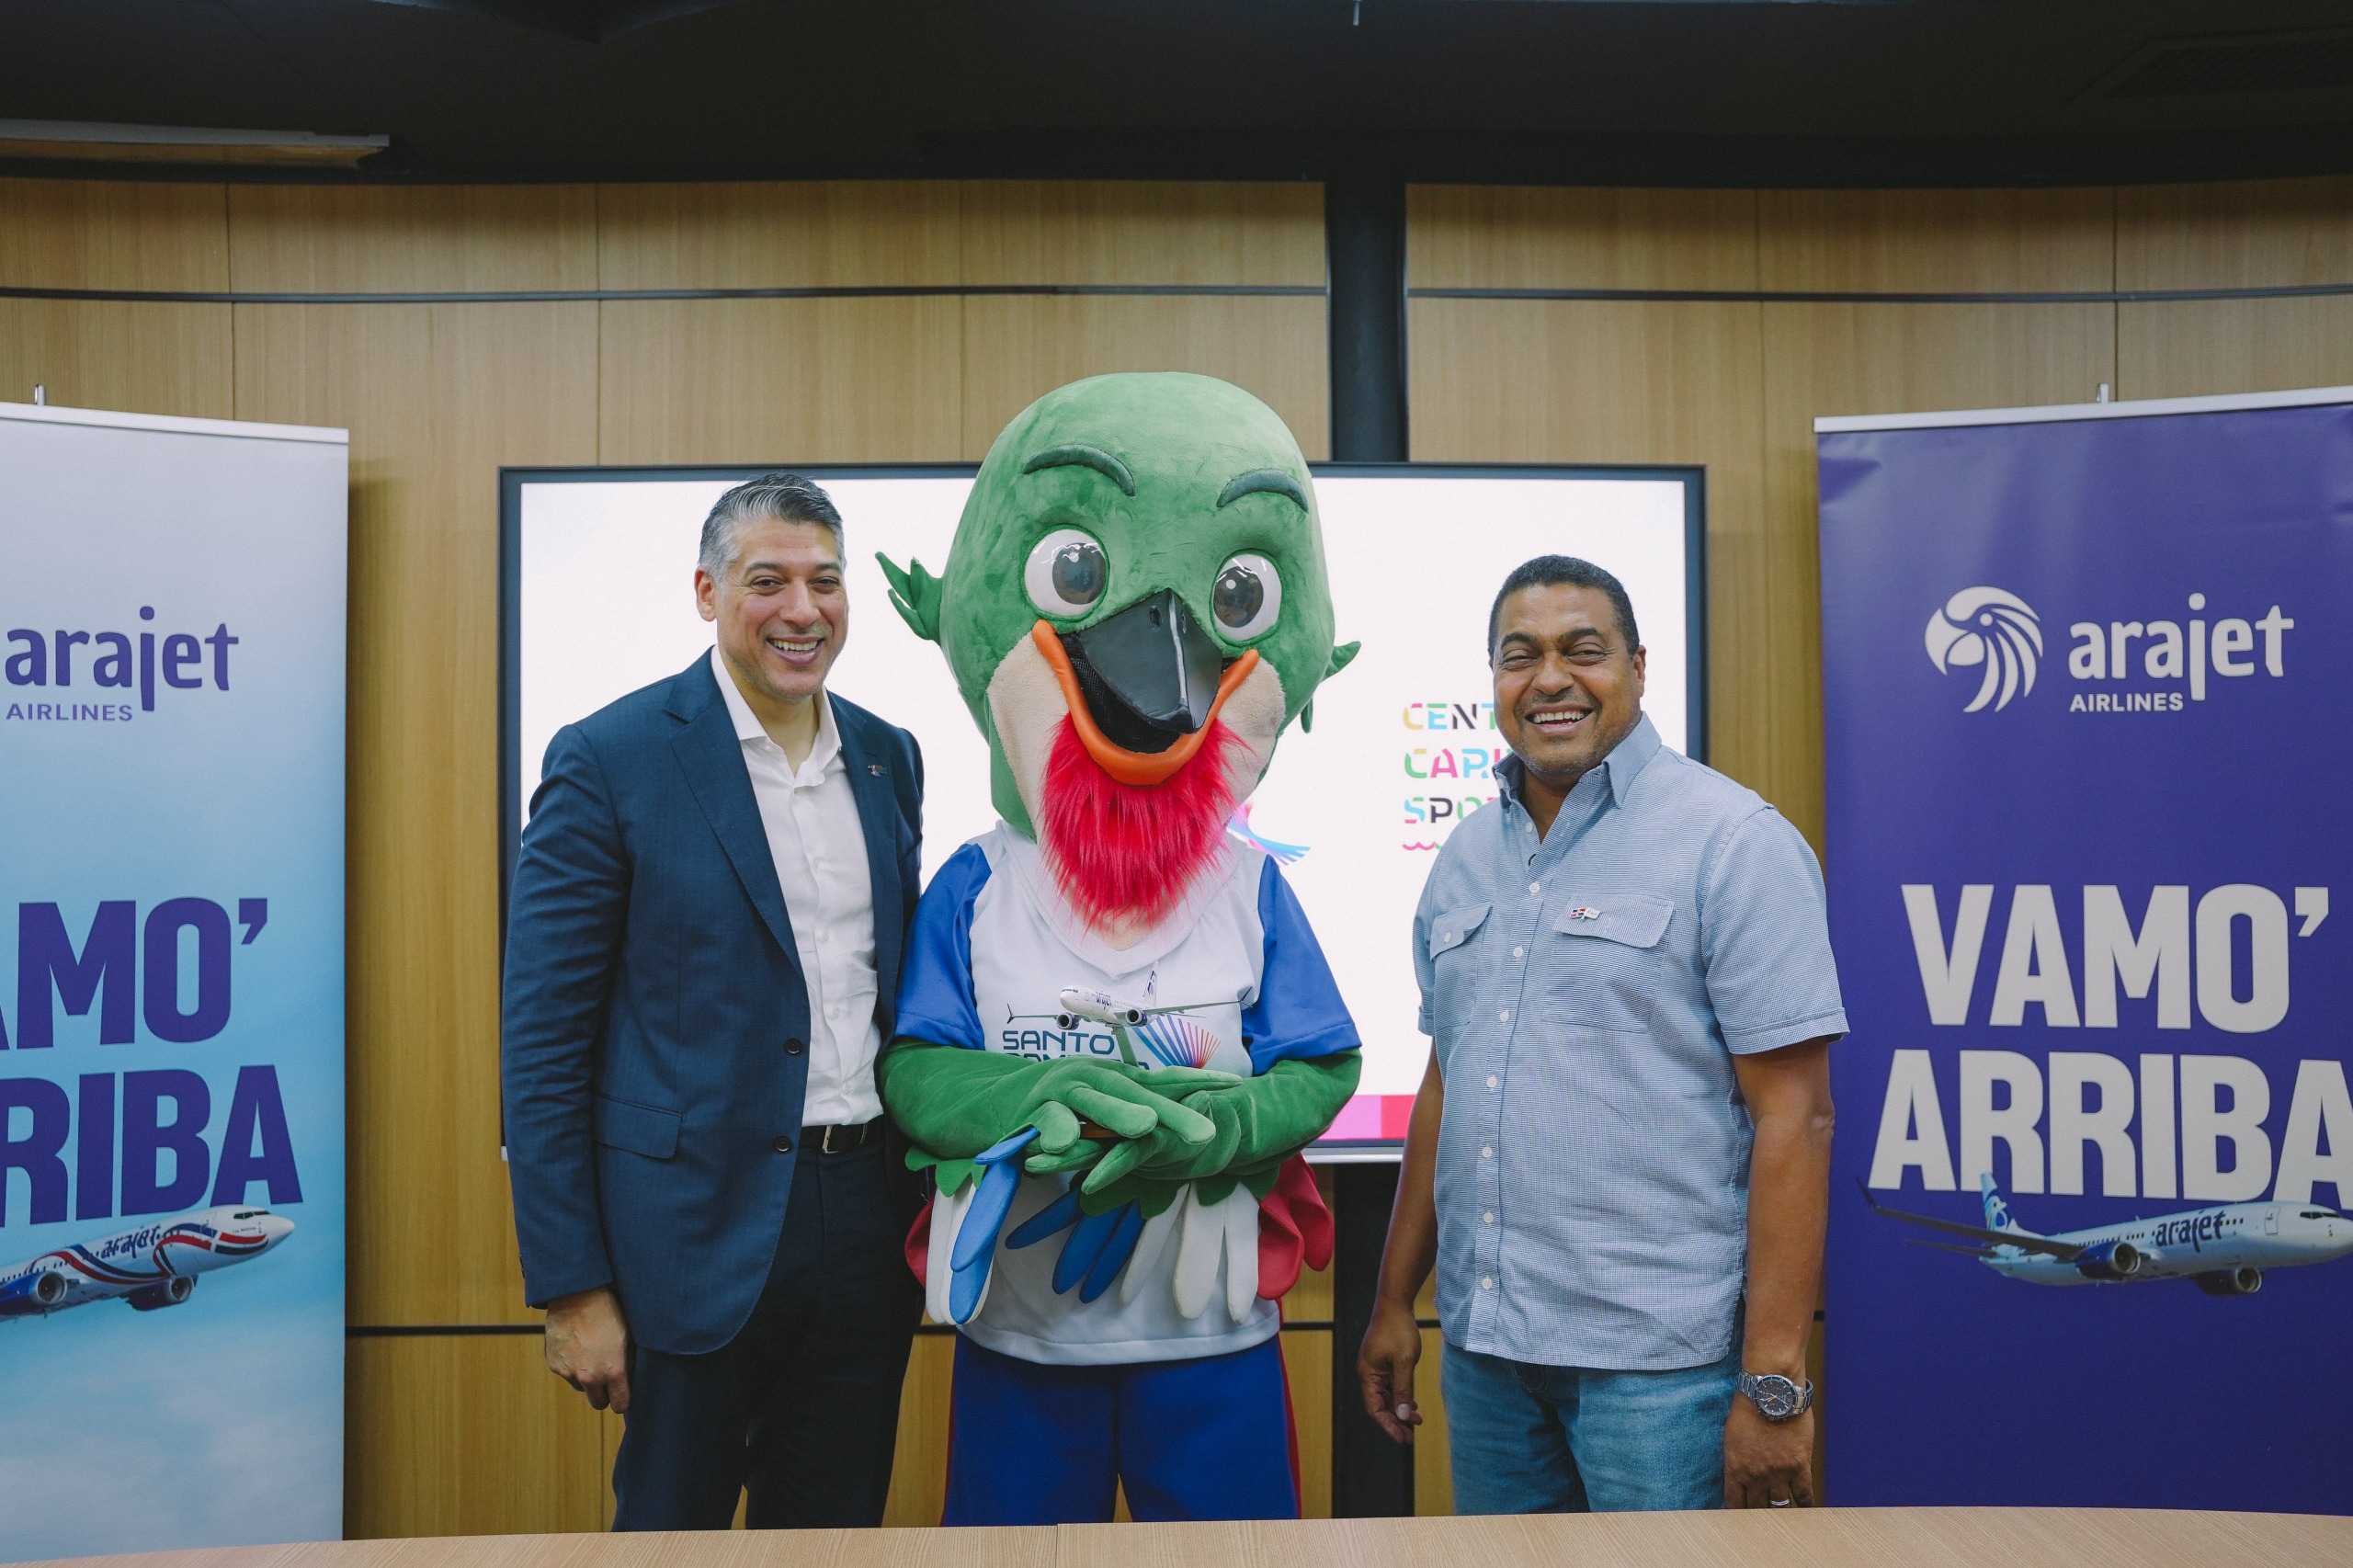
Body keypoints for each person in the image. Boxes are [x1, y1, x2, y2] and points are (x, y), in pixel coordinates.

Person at [1355, 554, 1842, 1513]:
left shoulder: (1733, 843)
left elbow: (1798, 1119)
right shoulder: (1461, 856)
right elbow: (1446, 1083)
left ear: (1638, 667)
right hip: (1487, 1359)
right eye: (1518, 655)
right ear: (1493, 678)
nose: (1549, 678)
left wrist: (1774, 1384)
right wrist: (1391, 1301)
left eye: (1584, 650)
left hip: (1661, 1374)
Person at [501, 472, 925, 1530]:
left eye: (825, 581)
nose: (802, 610)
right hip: (685, 1240)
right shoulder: (609, 758)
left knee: (834, 1536)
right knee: (669, 1539)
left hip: (861, 1224)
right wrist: (571, 1285)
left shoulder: (886, 756)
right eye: (767, 579)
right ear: (706, 590)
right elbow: (544, 1043)